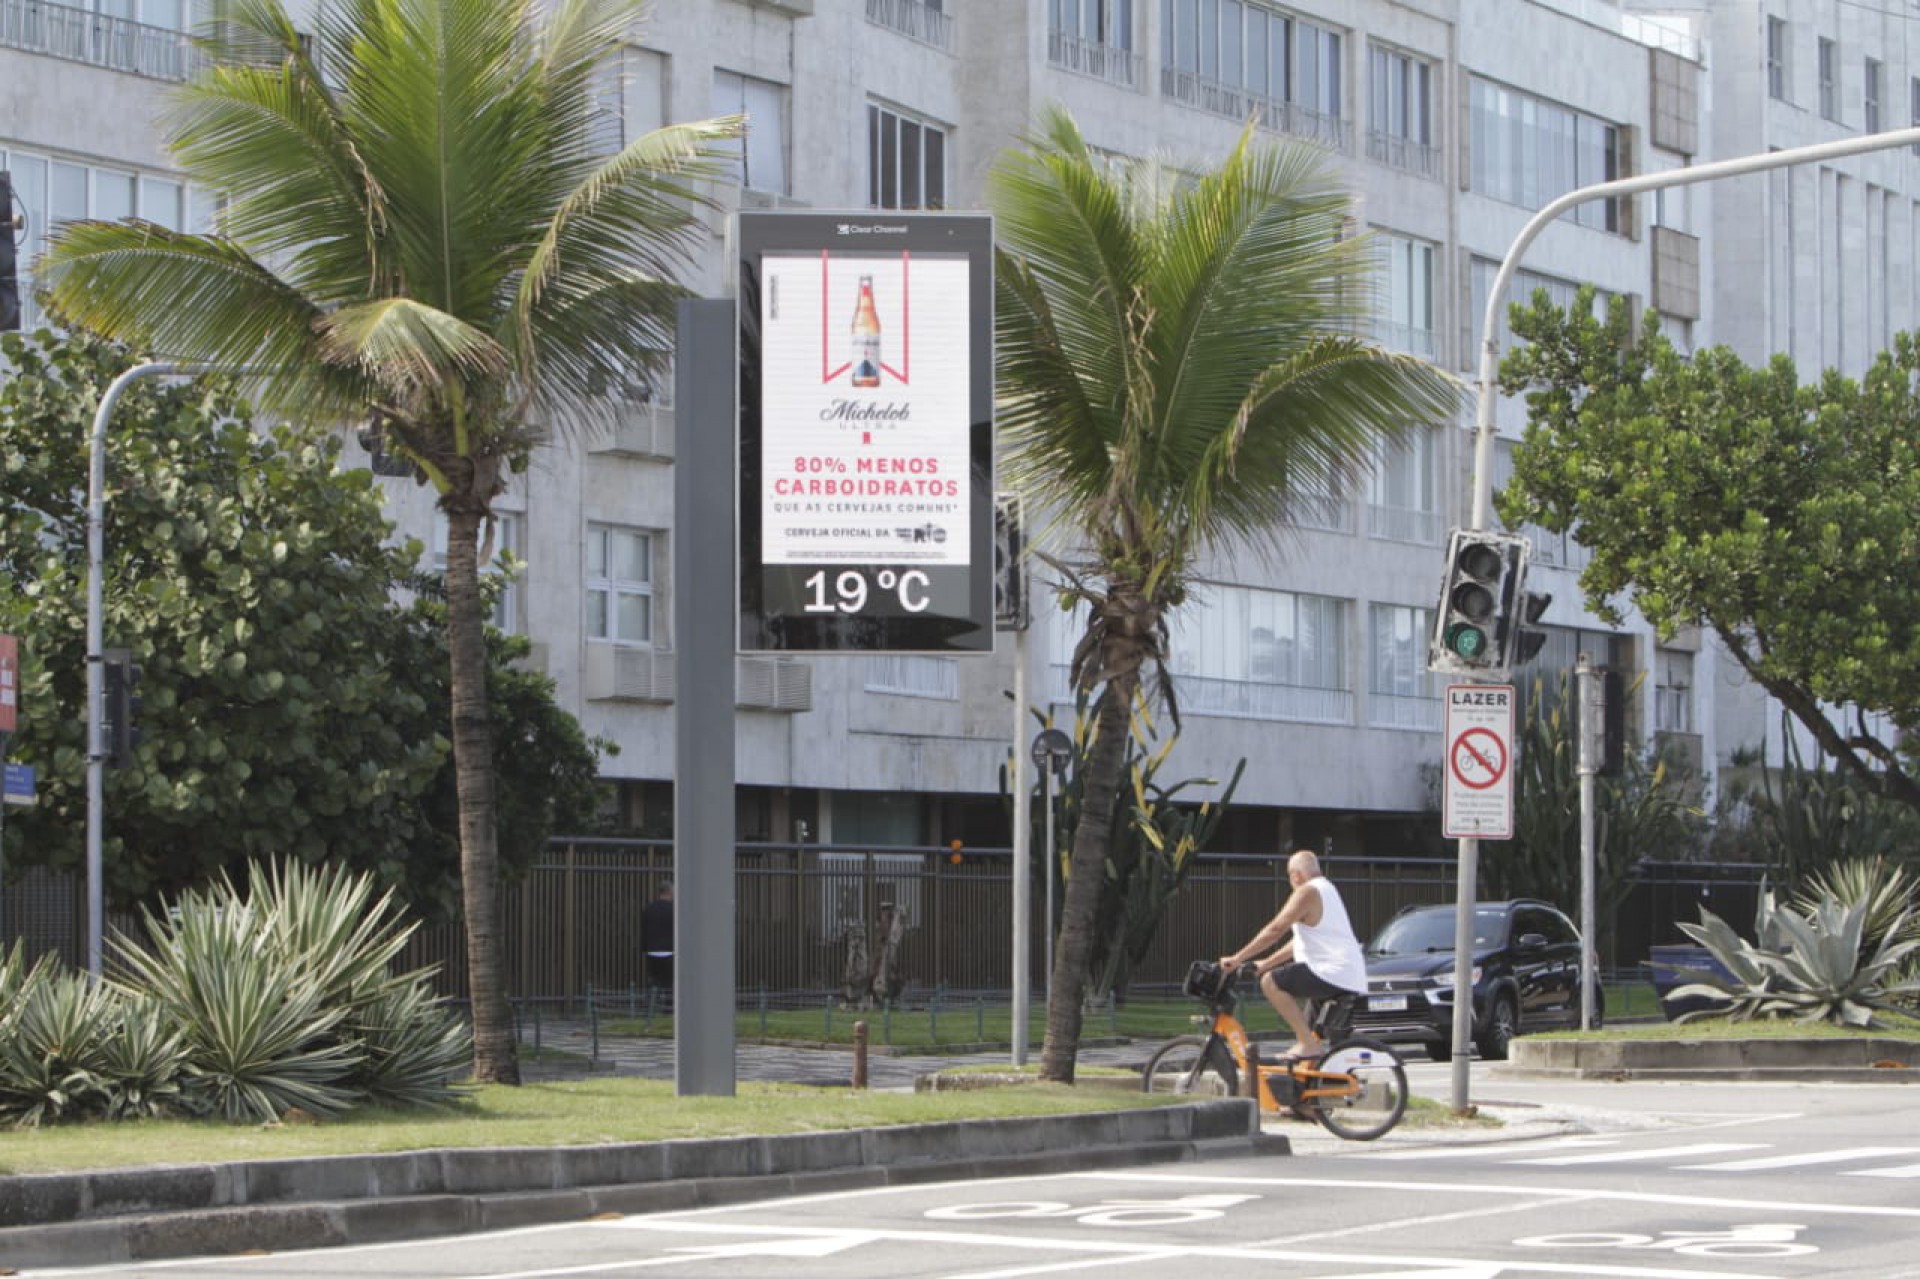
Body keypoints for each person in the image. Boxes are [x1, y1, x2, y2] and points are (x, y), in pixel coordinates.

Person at [1218, 849, 1367, 1061]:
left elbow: (1275, 930)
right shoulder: (1327, 889)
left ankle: (1307, 1045)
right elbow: (1298, 941)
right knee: (1308, 1034)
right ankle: (1313, 1072)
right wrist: (1266, 962)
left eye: (1290, 875)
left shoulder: (1307, 891)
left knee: (1270, 982)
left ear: (1296, 875)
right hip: (1344, 974)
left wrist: (1237, 958)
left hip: (1331, 972)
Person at [642, 880, 674, 1001]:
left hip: (652, 951)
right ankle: (668, 1008)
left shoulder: (649, 908)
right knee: (669, 982)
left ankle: (649, 1007)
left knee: (654, 980)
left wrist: (645, 949)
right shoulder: (674, 910)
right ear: (669, 892)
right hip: (670, 951)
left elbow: (644, 930)